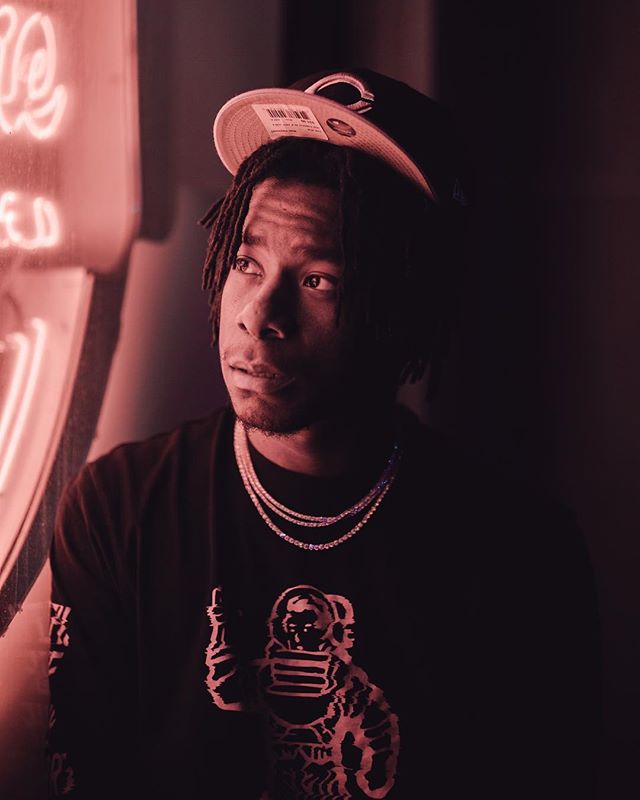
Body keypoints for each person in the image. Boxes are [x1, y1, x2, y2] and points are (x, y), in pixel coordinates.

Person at [48, 68, 602, 799]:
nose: (257, 314)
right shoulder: (120, 510)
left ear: (404, 308)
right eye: (247, 262)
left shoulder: (520, 556)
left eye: (318, 281)